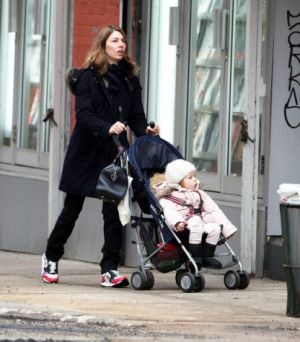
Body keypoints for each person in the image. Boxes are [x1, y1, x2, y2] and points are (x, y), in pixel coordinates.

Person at [41, 25, 160, 287]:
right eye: (115, 40)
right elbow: (83, 116)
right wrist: (106, 127)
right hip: (85, 153)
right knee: (72, 210)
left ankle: (109, 268)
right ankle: (51, 256)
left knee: (113, 211)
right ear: (103, 45)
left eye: (123, 41)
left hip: (113, 153)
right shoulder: (87, 78)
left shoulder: (130, 79)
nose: (121, 45)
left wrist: (147, 131)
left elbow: (136, 118)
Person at [152, 159, 237, 269]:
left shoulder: (199, 194)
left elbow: (214, 210)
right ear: (178, 181)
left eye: (194, 176)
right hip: (184, 227)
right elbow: (169, 212)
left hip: (201, 222)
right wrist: (177, 222)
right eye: (190, 178)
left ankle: (207, 257)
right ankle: (195, 257)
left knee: (215, 228)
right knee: (195, 226)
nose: (195, 180)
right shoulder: (168, 198)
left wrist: (227, 229)